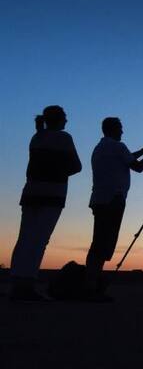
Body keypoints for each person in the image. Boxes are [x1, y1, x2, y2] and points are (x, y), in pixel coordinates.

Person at [9, 106, 82, 302]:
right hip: (52, 194)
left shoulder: (37, 137)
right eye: (65, 118)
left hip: (31, 192)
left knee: (25, 237)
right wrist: (58, 171)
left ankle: (17, 282)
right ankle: (27, 284)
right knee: (39, 239)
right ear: (59, 120)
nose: (66, 121)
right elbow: (76, 166)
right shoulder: (63, 138)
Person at [84, 117, 143, 301]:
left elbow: (126, 158)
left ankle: (91, 285)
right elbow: (138, 167)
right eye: (120, 128)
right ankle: (91, 288)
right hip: (113, 200)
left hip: (100, 199)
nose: (123, 132)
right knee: (102, 244)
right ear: (114, 129)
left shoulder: (101, 147)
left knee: (98, 242)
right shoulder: (117, 147)